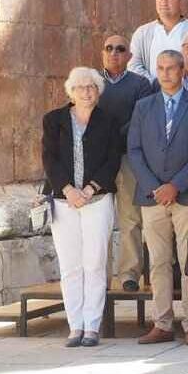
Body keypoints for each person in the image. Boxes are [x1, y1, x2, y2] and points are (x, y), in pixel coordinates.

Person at [128, 51, 188, 346]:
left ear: (182, 71)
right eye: (160, 68)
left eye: (171, 68)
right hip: (152, 198)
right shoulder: (143, 107)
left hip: (185, 195)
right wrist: (155, 186)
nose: (165, 73)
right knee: (159, 262)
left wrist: (175, 184)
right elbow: (134, 151)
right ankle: (162, 323)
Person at [42, 67, 122, 347]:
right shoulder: (54, 120)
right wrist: (67, 189)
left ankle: (92, 326)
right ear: (70, 92)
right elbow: (49, 159)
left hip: (97, 200)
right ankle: (75, 326)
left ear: (98, 92)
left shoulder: (109, 121)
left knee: (95, 263)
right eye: (81, 87)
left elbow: (113, 160)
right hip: (64, 201)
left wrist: (89, 189)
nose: (87, 92)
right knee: (71, 265)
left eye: (92, 87)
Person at [96, 34, 153, 291]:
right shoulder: (91, 82)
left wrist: (113, 138)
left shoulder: (140, 84)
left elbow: (140, 118)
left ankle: (129, 273)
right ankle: (100, 275)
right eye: (109, 48)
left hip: (129, 157)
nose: (114, 53)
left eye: (120, 49)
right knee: (100, 218)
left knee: (130, 217)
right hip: (97, 160)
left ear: (129, 56)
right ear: (102, 53)